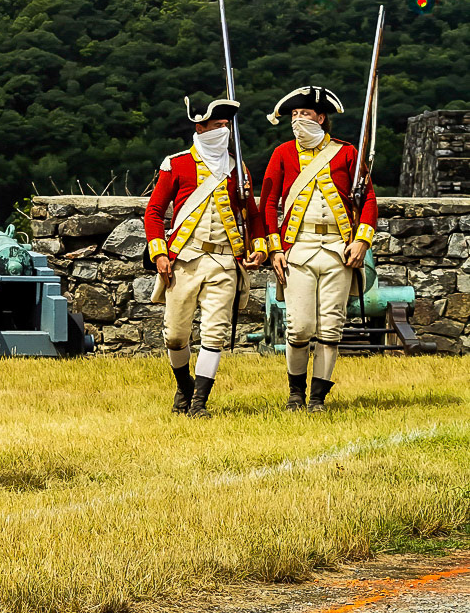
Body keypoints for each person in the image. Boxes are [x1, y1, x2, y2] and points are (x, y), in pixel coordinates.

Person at [144, 94, 267, 418]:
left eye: (226, 125)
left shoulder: (238, 169)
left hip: (226, 261)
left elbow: (252, 215)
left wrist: (258, 246)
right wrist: (159, 253)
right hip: (184, 259)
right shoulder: (177, 164)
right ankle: (184, 388)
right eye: (217, 125)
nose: (223, 130)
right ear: (201, 127)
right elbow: (155, 211)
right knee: (175, 335)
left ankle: (199, 402)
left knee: (215, 332)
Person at [259, 85, 377, 412]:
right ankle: (295, 392)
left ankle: (317, 398)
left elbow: (368, 200)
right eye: (294, 115)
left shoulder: (347, 152)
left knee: (331, 326)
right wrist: (274, 248)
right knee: (299, 327)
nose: (297, 120)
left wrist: (361, 241)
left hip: (339, 250)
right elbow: (268, 202)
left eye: (304, 114)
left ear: (321, 118)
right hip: (298, 249)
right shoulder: (282, 153)